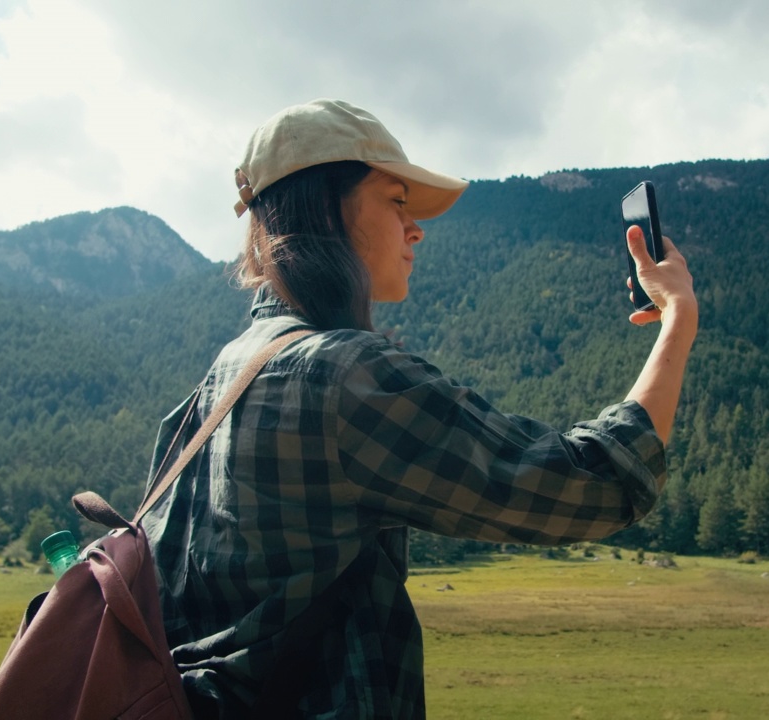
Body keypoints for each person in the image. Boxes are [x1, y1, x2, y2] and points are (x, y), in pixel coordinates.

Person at [140, 98, 697, 718]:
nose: (415, 227)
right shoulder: (343, 374)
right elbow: (592, 482)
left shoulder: (221, 378)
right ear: (328, 206)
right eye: (396, 200)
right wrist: (677, 320)